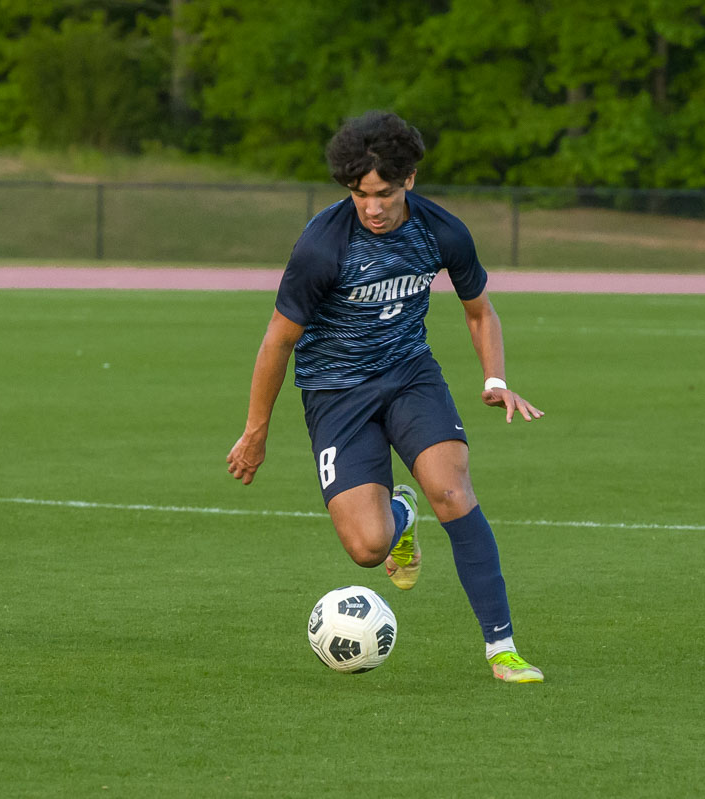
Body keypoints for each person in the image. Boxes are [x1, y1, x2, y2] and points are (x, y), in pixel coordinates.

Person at [226, 110, 545, 683]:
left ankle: (503, 649)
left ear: (410, 180)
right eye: (358, 193)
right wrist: (256, 432)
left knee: (453, 490)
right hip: (334, 393)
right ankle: (400, 517)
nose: (371, 207)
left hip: (409, 376)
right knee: (368, 548)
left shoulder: (442, 231)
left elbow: (480, 312)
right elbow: (276, 344)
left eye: (384, 193)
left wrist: (495, 380)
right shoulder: (323, 246)